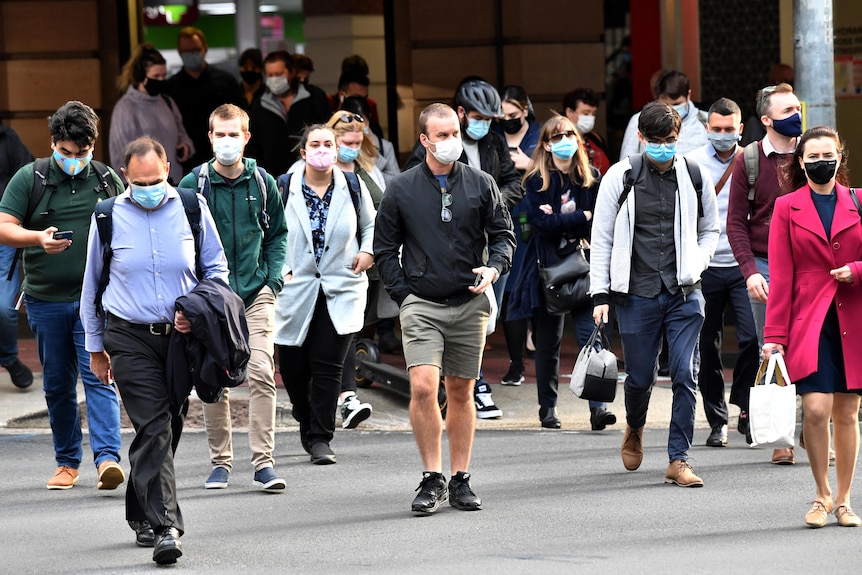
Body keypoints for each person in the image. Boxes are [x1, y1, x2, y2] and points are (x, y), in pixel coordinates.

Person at [80, 137, 229, 564]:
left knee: (166, 427)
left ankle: (140, 508)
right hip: (127, 336)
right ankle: (167, 526)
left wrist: (195, 312)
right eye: (141, 181)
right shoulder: (108, 216)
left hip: (181, 338)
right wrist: (95, 348)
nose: (150, 188)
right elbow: (92, 286)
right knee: (156, 422)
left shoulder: (191, 207)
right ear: (125, 175)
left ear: (169, 169)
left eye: (158, 179)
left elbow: (216, 270)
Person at [374, 102, 515, 514]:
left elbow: (503, 235)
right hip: (422, 303)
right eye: (442, 135)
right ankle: (432, 476)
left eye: (455, 132)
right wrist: (405, 296)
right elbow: (384, 249)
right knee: (421, 387)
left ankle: (460, 478)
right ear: (424, 140)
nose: (452, 140)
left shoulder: (482, 182)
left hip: (469, 302)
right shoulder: (400, 188)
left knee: (460, 391)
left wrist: (493, 267)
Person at [589, 101, 719, 487]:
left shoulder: (695, 174)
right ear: (642, 138)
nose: (665, 147)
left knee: (684, 373)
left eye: (671, 140)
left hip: (684, 292)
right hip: (636, 293)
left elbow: (710, 229)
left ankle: (679, 459)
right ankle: (635, 425)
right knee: (640, 377)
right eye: (657, 140)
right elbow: (602, 239)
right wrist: (600, 295)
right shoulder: (621, 176)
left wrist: (698, 262)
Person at [0, 101, 125, 491]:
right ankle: (67, 462)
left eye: (83, 153)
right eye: (67, 152)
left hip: (95, 302)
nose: (74, 160)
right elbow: (4, 226)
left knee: (99, 378)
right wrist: (37, 238)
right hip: (45, 299)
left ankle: (107, 460)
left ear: (93, 146)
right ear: (54, 143)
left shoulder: (106, 180)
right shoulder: (30, 177)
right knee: (56, 383)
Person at [177, 104, 288, 492]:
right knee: (215, 377)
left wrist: (273, 281)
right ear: (209, 138)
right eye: (220, 134)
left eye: (234, 134)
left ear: (246, 137)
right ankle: (221, 462)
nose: (227, 141)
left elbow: (277, 235)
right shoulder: (194, 185)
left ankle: (263, 462)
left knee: (260, 372)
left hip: (256, 294)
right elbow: (181, 243)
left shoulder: (263, 182)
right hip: (213, 299)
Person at [404, 79, 523, 419]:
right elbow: (411, 189)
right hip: (442, 247)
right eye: (477, 116)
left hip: (484, 243)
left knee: (485, 316)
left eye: (489, 117)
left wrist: (491, 200)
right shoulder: (428, 149)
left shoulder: (494, 143)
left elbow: (513, 182)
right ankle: (477, 384)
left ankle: (468, 380)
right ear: (460, 113)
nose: (484, 123)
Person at [763, 126, 862, 528]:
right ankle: (820, 494)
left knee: (848, 412)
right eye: (814, 157)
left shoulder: (858, 201)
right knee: (817, 409)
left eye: (830, 155)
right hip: (810, 320)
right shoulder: (787, 207)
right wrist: (773, 337)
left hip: (852, 317)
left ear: (840, 157)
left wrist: (855, 270)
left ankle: (844, 499)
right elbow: (781, 276)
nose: (823, 162)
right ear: (800, 162)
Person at [507, 114, 617, 430]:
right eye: (557, 137)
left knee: (591, 339)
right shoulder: (535, 181)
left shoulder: (591, 178)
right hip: (547, 271)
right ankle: (548, 408)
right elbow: (541, 226)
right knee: (548, 344)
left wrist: (564, 218)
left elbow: (597, 222)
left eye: (569, 134)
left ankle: (598, 408)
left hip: (584, 268)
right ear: (546, 144)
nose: (564, 141)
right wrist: (579, 215)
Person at [274, 124, 375, 465]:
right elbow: (267, 231)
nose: (322, 149)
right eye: (314, 144)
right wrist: (278, 269)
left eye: (327, 144)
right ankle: (305, 416)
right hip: (295, 288)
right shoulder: (284, 187)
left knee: (328, 365)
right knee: (293, 368)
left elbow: (371, 225)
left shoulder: (352, 184)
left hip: (342, 286)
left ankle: (320, 438)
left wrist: (368, 251)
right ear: (303, 152)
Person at [726, 82, 801, 465]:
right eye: (786, 111)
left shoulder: (812, 154)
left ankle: (813, 429)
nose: (796, 115)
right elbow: (736, 223)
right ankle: (782, 435)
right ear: (766, 119)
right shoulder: (750, 159)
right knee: (771, 347)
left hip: (808, 263)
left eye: (797, 107)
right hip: (765, 264)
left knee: (814, 343)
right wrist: (750, 272)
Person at [685, 98, 758, 447]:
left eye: (730, 130)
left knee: (754, 339)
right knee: (706, 343)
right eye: (717, 129)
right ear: (707, 129)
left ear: (740, 129)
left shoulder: (753, 160)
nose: (724, 135)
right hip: (706, 266)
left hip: (747, 265)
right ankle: (717, 420)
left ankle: (744, 406)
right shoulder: (693, 163)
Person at [323, 109, 381, 429]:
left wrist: (370, 249)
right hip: (327, 269)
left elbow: (376, 216)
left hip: (362, 268)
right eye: (347, 142)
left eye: (358, 141)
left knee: (348, 333)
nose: (353, 147)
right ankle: (343, 397)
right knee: (337, 333)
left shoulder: (362, 173)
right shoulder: (307, 174)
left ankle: (344, 397)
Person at [494, 85, 540, 387]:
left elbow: (556, 168)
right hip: (504, 219)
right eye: (503, 115)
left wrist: (532, 163)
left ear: (525, 110)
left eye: (513, 114)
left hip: (537, 219)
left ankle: (538, 347)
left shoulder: (539, 135)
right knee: (509, 292)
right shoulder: (493, 138)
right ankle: (515, 362)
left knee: (539, 288)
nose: (508, 119)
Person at [109, 43, 194, 184]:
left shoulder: (167, 102)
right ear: (141, 76)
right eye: (156, 76)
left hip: (174, 181)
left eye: (164, 75)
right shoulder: (125, 107)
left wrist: (185, 146)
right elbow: (121, 156)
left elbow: (182, 134)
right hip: (144, 184)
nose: (161, 80)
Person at [165, 27, 244, 171]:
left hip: (224, 154)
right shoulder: (170, 87)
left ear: (205, 49)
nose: (191, 55)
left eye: (195, 49)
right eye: (186, 51)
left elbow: (242, 118)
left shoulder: (226, 81)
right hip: (185, 160)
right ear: (179, 52)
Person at [247, 50, 331, 178]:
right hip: (273, 179)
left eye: (279, 74)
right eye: (270, 75)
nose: (274, 79)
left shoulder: (314, 97)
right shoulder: (260, 104)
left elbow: (329, 131)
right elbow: (254, 145)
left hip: (313, 175)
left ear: (292, 72)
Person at [0, 121, 35, 389]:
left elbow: (28, 173)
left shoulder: (6, 137)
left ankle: (9, 358)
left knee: (4, 307)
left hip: (3, 233)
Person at [619, 70, 707, 159]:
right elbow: (626, 163)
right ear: (657, 97)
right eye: (666, 105)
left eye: (677, 104)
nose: (672, 109)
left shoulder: (707, 121)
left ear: (688, 95)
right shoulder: (638, 120)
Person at [563, 87, 613, 175]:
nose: (590, 118)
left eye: (593, 114)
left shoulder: (596, 138)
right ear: (569, 112)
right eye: (585, 113)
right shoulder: (561, 142)